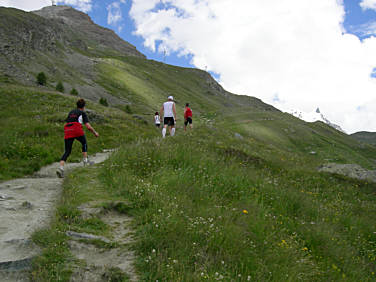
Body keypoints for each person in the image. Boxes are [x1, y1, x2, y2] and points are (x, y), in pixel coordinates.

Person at [56, 99, 99, 178]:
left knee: (67, 151)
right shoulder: (82, 113)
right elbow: (88, 126)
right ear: (83, 106)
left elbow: (68, 121)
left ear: (77, 105)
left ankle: (60, 168)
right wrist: (95, 132)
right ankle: (85, 160)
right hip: (76, 130)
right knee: (84, 143)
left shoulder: (71, 112)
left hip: (68, 130)